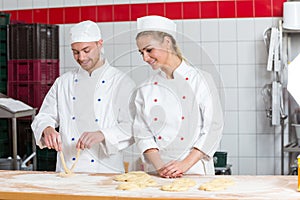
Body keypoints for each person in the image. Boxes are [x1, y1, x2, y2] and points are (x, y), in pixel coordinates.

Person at [31, 20, 135, 173]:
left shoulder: (121, 82)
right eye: (75, 52)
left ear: (100, 44)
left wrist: (103, 134)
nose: (81, 57)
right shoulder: (63, 82)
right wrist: (47, 128)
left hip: (106, 172)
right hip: (68, 171)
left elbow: (132, 126)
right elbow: (44, 116)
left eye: (87, 50)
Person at [133, 15, 224, 178]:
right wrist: (161, 167)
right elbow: (142, 133)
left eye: (149, 50)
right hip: (157, 172)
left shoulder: (201, 80)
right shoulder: (145, 88)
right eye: (141, 53)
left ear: (167, 42)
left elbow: (213, 128)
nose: (145, 58)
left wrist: (184, 165)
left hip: (194, 170)